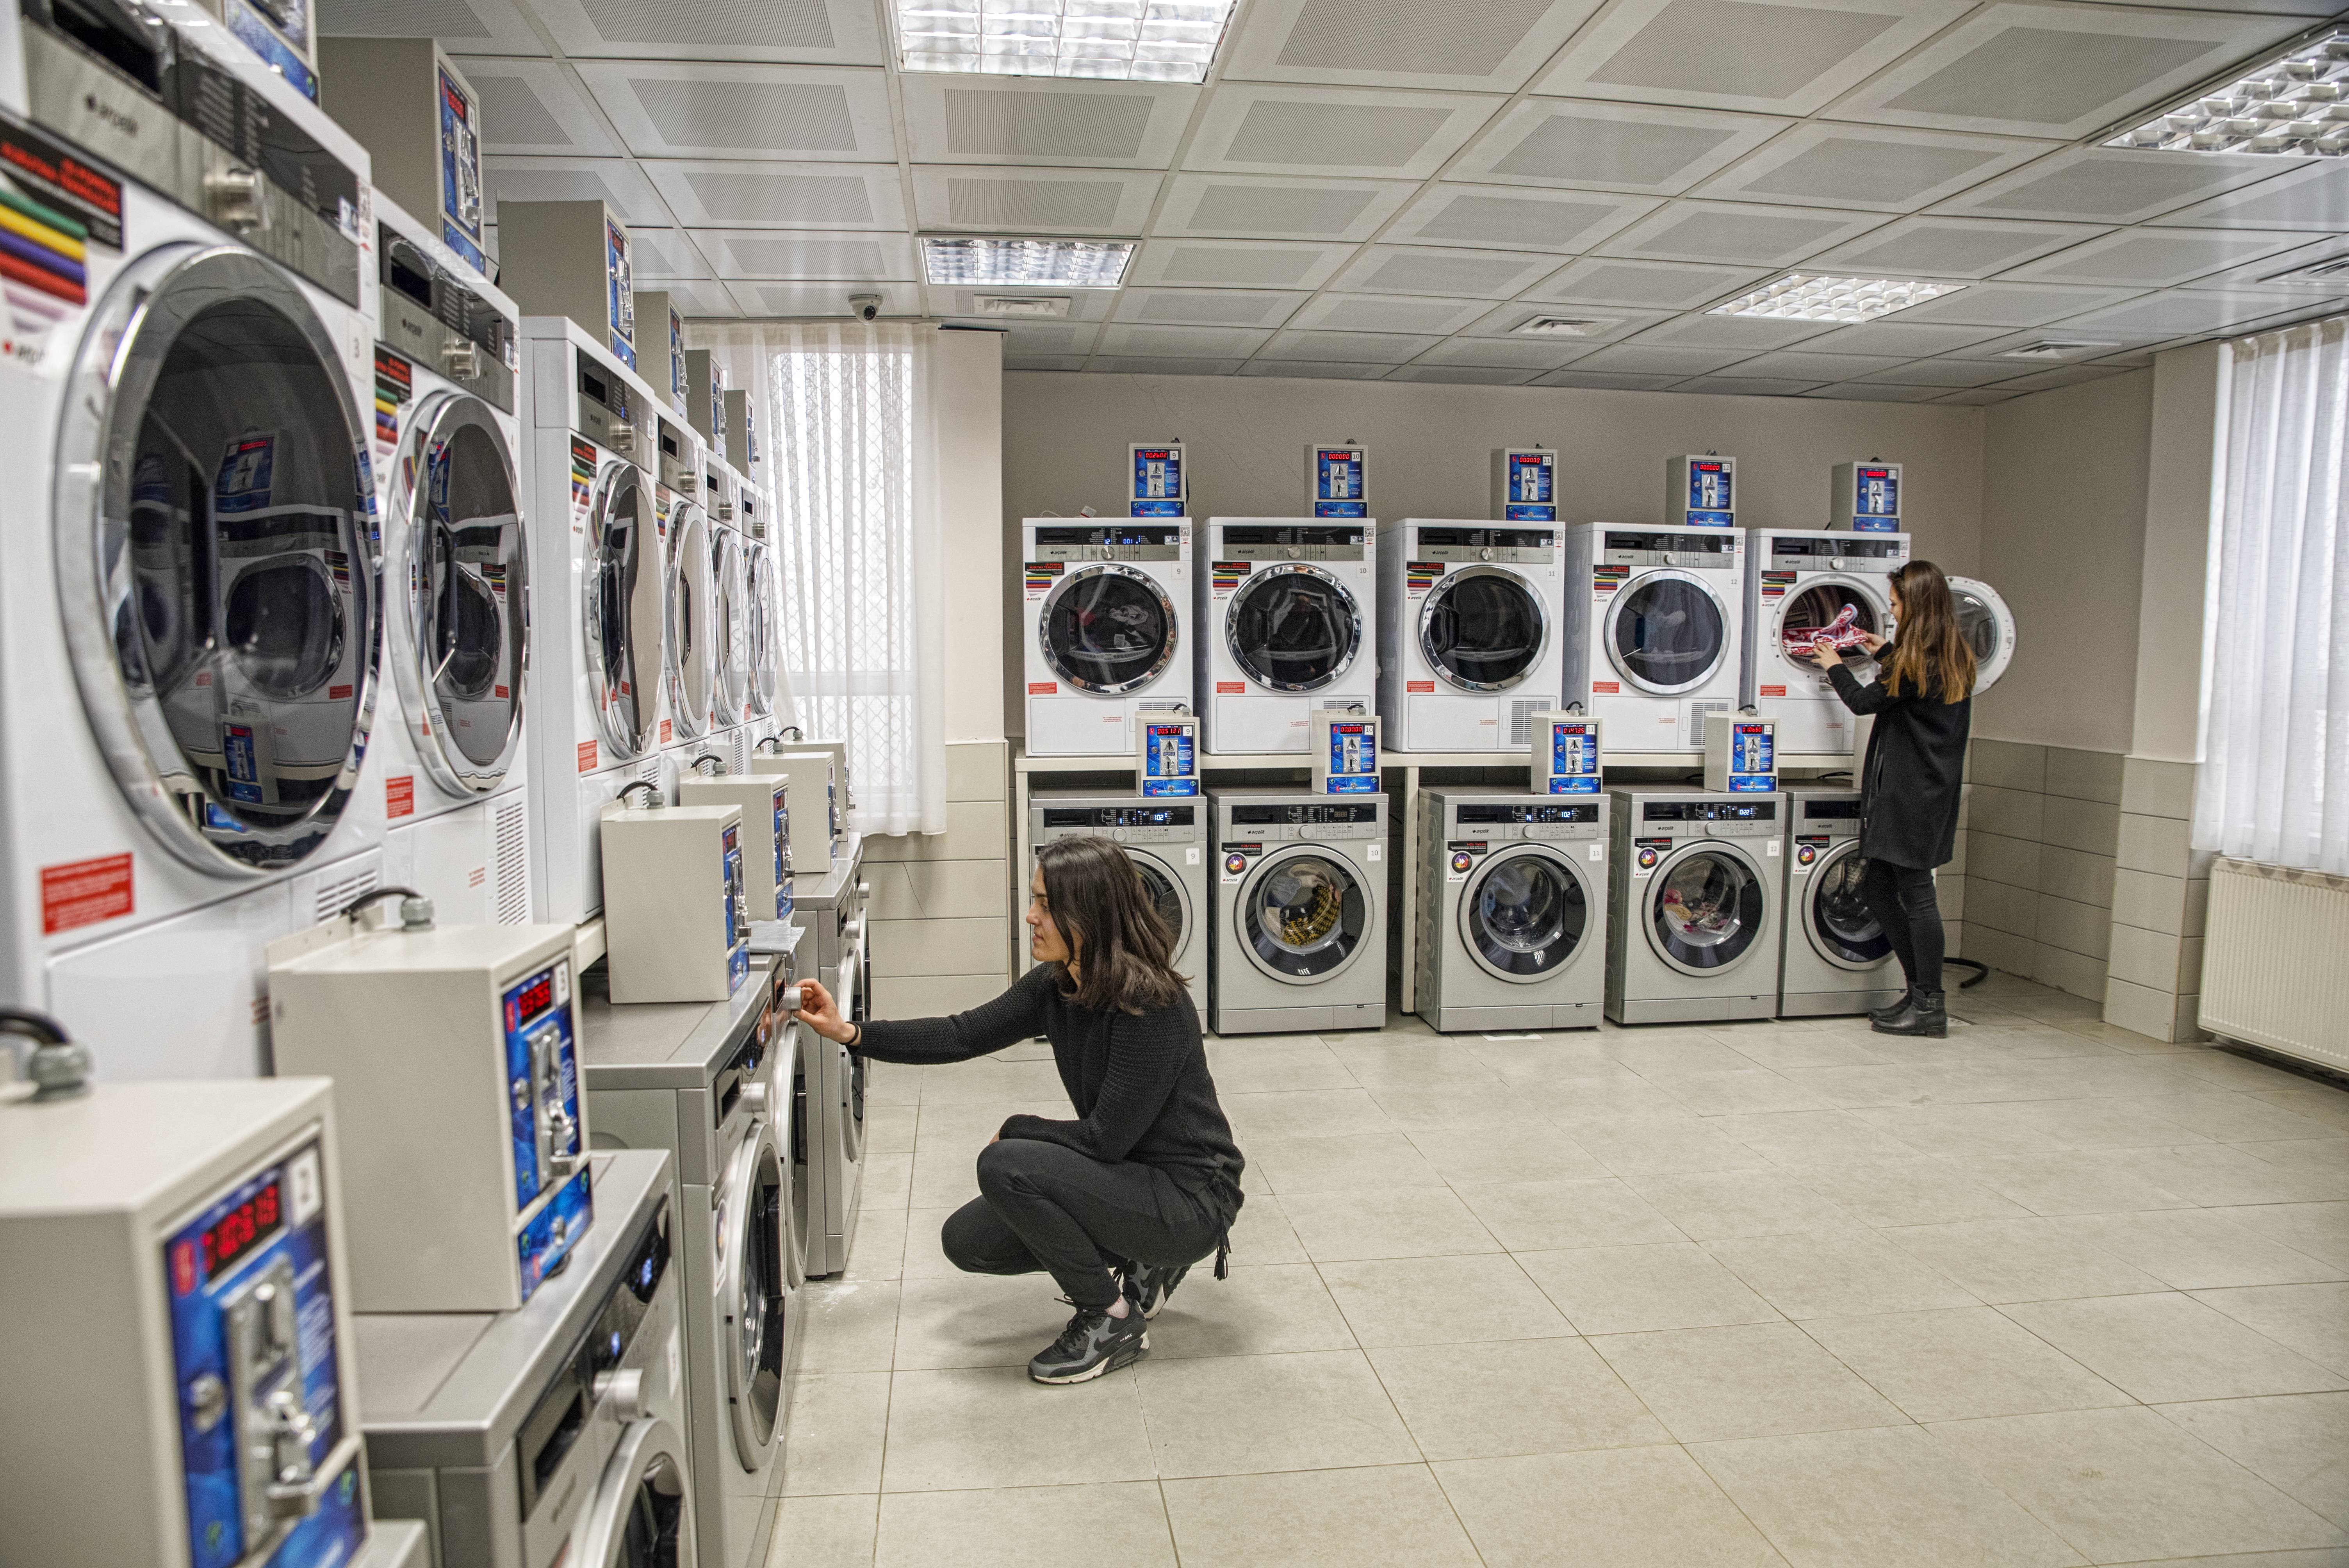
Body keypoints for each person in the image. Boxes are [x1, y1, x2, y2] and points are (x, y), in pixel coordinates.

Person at [790, 835, 1244, 1385]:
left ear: (1091, 914)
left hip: (1192, 1198)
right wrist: (851, 1033)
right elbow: (961, 1034)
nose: (1031, 917)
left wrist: (1014, 1130)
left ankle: (1111, 1318)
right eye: (1035, 900)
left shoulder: (1150, 1006)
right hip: (1132, 1177)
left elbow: (1104, 1141)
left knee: (1007, 1166)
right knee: (969, 1242)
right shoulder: (1058, 987)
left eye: (1047, 906)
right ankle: (1143, 1255)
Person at [1802, 559, 1976, 1038]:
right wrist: (1887, 654)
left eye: (1897, 603)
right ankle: (1918, 992)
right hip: (1924, 791)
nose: (1893, 611)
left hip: (1912, 797)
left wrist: (1835, 665)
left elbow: (1865, 703)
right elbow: (1913, 694)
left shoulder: (1918, 662)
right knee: (1878, 890)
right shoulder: (1946, 654)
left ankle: (1929, 1005)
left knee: (1918, 899)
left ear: (1917, 606)